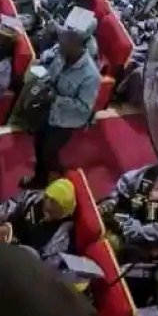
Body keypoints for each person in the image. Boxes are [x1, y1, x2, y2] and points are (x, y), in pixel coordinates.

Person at [25, 17, 101, 188]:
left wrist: (56, 99)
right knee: (38, 144)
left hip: (66, 121)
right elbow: (51, 72)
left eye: (65, 39)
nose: (60, 41)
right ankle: (40, 179)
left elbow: (84, 108)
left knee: (48, 153)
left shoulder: (91, 75)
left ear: (77, 43)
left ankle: (62, 181)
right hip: (48, 110)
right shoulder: (62, 53)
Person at [0, 178, 76, 258]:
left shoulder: (62, 235)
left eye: (54, 206)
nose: (48, 206)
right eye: (47, 199)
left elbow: (47, 263)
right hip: (8, 236)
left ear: (64, 212)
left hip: (24, 260)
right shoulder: (33, 198)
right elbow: (7, 208)